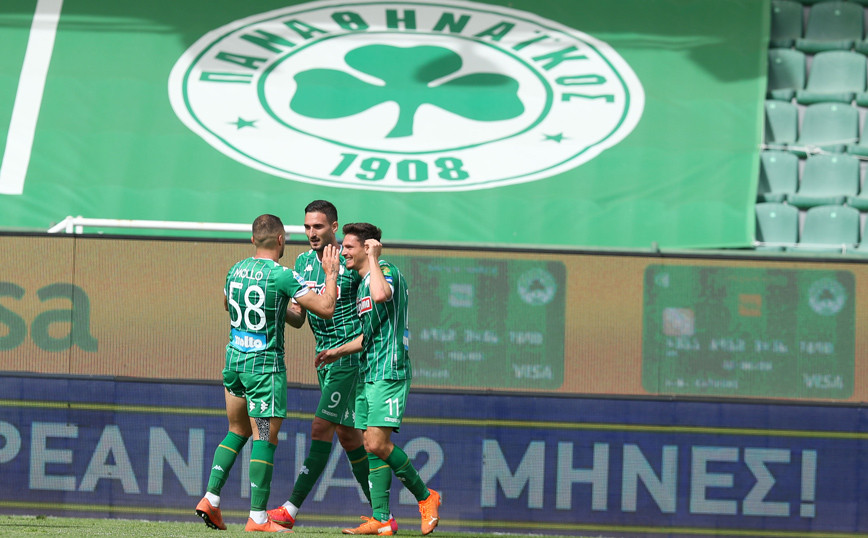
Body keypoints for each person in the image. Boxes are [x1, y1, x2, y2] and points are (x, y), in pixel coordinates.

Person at [195, 213, 339, 533]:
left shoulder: (236, 269)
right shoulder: (282, 275)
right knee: (264, 437)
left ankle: (211, 498)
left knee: (237, 431)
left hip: (235, 365)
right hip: (263, 372)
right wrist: (330, 274)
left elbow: (228, 304)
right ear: (280, 240)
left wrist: (275, 307)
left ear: (252, 240)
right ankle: (258, 517)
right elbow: (327, 308)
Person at [267, 201, 397, 534]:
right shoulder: (301, 262)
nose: (312, 233)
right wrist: (274, 305)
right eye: (307, 227)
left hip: (349, 359)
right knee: (349, 437)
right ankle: (382, 516)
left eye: (319, 227)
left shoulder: (350, 261)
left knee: (320, 428)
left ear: (334, 227)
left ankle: (289, 510)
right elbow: (299, 317)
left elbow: (372, 301)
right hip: (325, 360)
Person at [316, 222, 441, 536]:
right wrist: (337, 351)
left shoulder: (385, 272)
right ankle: (381, 518)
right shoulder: (363, 284)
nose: (343, 252)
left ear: (368, 247)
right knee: (370, 446)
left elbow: (383, 294)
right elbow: (368, 335)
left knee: (376, 442)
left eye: (349, 247)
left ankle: (426, 496)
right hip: (368, 372)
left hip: (389, 370)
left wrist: (374, 257)